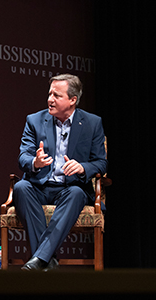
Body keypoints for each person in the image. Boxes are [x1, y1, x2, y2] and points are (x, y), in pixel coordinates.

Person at [14, 74, 107, 271]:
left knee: (76, 193)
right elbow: (23, 158)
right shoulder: (34, 120)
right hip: (40, 186)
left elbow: (101, 162)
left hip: (70, 188)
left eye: (57, 95)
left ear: (72, 100)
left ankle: (40, 259)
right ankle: (47, 260)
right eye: (49, 94)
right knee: (21, 187)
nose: (50, 99)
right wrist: (35, 162)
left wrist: (83, 167)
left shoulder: (92, 123)